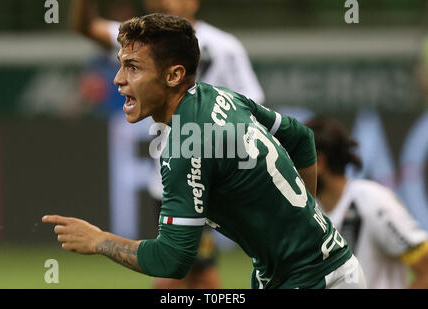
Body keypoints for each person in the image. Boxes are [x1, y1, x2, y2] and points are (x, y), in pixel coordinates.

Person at [43, 13, 365, 289]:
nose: (118, 80)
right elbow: (300, 137)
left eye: (133, 68)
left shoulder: (186, 145)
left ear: (174, 75)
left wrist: (98, 240)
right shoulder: (221, 96)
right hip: (325, 270)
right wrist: (304, 216)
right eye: (121, 66)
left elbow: (172, 260)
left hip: (314, 280)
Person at [69, 0, 264, 289]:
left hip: (203, 176)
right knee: (183, 272)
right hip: (167, 175)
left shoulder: (224, 47)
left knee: (186, 272)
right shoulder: (144, 42)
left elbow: (252, 108)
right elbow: (86, 28)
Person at [306, 116, 428, 288]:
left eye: (297, 159)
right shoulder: (310, 213)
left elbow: (426, 271)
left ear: (319, 162)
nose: (291, 169)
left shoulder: (372, 201)